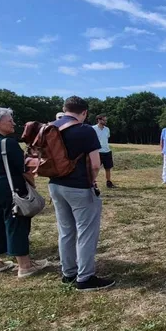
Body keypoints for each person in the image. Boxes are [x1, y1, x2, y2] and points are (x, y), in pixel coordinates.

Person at [48, 96, 115, 291]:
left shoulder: (50, 127)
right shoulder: (85, 130)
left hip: (55, 185)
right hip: (78, 186)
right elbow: (95, 164)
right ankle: (85, 277)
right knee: (86, 231)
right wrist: (92, 180)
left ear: (64, 108)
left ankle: (68, 272)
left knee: (66, 230)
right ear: (84, 112)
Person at [0, 107, 49, 277]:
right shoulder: (7, 143)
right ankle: (25, 266)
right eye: (10, 120)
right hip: (8, 190)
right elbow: (24, 169)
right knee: (17, 225)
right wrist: (32, 184)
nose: (13, 123)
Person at [92, 114, 115, 188]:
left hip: (107, 151)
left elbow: (107, 137)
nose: (105, 121)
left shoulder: (107, 129)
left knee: (108, 168)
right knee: (95, 168)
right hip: (97, 151)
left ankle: (109, 182)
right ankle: (93, 183)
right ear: (99, 120)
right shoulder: (93, 128)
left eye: (106, 120)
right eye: (104, 120)